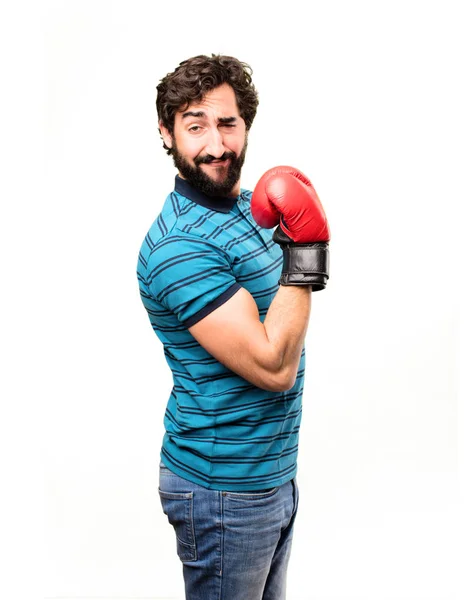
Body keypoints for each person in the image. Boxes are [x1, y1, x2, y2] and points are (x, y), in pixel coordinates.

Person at [136, 53, 330, 600]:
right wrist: (307, 247)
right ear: (167, 134)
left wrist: (297, 241)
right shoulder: (180, 248)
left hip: (271, 475)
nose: (216, 145)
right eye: (195, 126)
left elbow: (283, 312)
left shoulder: (251, 209)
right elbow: (274, 366)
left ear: (245, 127)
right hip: (222, 490)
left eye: (228, 124)